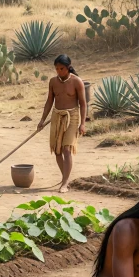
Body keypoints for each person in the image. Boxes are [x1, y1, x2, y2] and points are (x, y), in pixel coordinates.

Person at [36, 54, 88, 192]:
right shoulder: (53, 82)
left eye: (62, 69)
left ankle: (64, 183)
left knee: (66, 149)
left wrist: (82, 123)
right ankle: (65, 178)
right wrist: (42, 120)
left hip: (72, 116)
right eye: (57, 69)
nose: (59, 71)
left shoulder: (77, 82)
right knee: (57, 150)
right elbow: (49, 101)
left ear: (68, 67)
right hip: (57, 116)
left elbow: (83, 104)